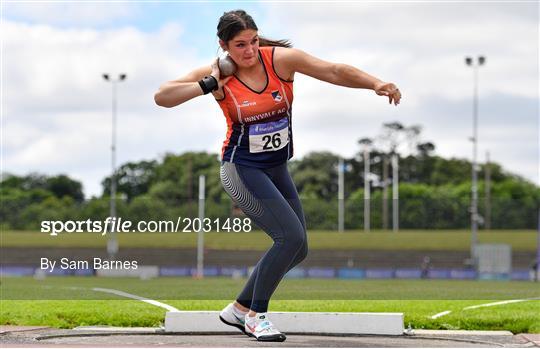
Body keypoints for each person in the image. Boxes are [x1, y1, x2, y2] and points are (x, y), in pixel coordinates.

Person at [154, 10, 401, 342]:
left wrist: (375, 83)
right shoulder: (217, 74)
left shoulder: (280, 61)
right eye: (240, 45)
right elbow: (162, 96)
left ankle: (239, 309)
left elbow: (332, 70)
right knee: (290, 238)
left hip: (276, 168)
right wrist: (210, 84)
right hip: (241, 169)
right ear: (223, 46)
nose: (249, 50)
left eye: (254, 41)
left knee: (298, 248)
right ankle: (256, 316)